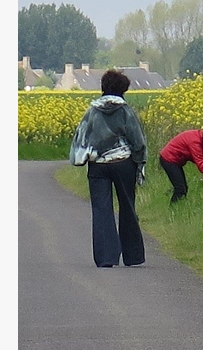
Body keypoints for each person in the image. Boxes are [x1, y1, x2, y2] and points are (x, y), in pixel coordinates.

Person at [69, 69, 147, 268]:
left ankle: (106, 258)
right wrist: (139, 163)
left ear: (103, 87)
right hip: (123, 164)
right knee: (127, 207)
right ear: (123, 89)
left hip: (98, 166)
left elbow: (81, 137)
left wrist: (80, 158)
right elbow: (138, 141)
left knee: (101, 210)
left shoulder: (92, 111)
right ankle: (133, 256)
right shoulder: (126, 111)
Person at [159, 126, 203, 203]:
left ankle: (177, 207)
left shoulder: (198, 136)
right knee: (180, 189)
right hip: (169, 159)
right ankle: (173, 211)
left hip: (173, 160)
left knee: (183, 188)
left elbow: (195, 157)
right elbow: (200, 162)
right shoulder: (195, 142)